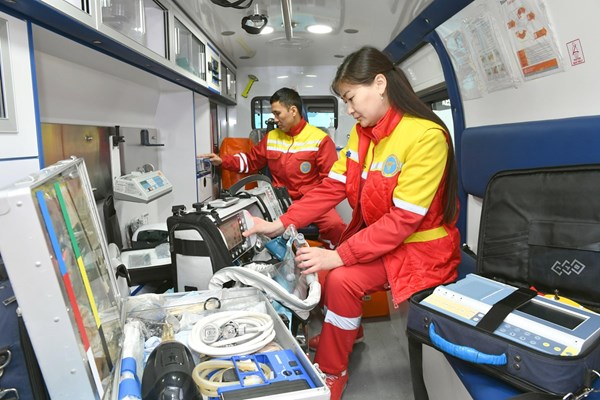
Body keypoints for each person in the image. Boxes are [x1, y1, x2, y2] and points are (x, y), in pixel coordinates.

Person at [243, 46, 461, 399]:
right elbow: (332, 187)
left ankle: (333, 370)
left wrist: (339, 255)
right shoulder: (363, 133)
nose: (348, 109)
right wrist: (279, 224)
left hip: (420, 248)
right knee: (324, 272)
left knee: (341, 278)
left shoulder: (426, 136)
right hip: (384, 240)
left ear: (379, 84)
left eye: (350, 98)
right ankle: (350, 332)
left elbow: (403, 220)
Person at [202, 87, 346, 248]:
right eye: (274, 114)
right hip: (279, 200)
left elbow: (330, 182)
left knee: (336, 226)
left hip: (311, 201)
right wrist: (222, 161)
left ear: (293, 111)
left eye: (278, 114)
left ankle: (332, 253)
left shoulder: (320, 139)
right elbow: (251, 161)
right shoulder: (271, 138)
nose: (275, 119)